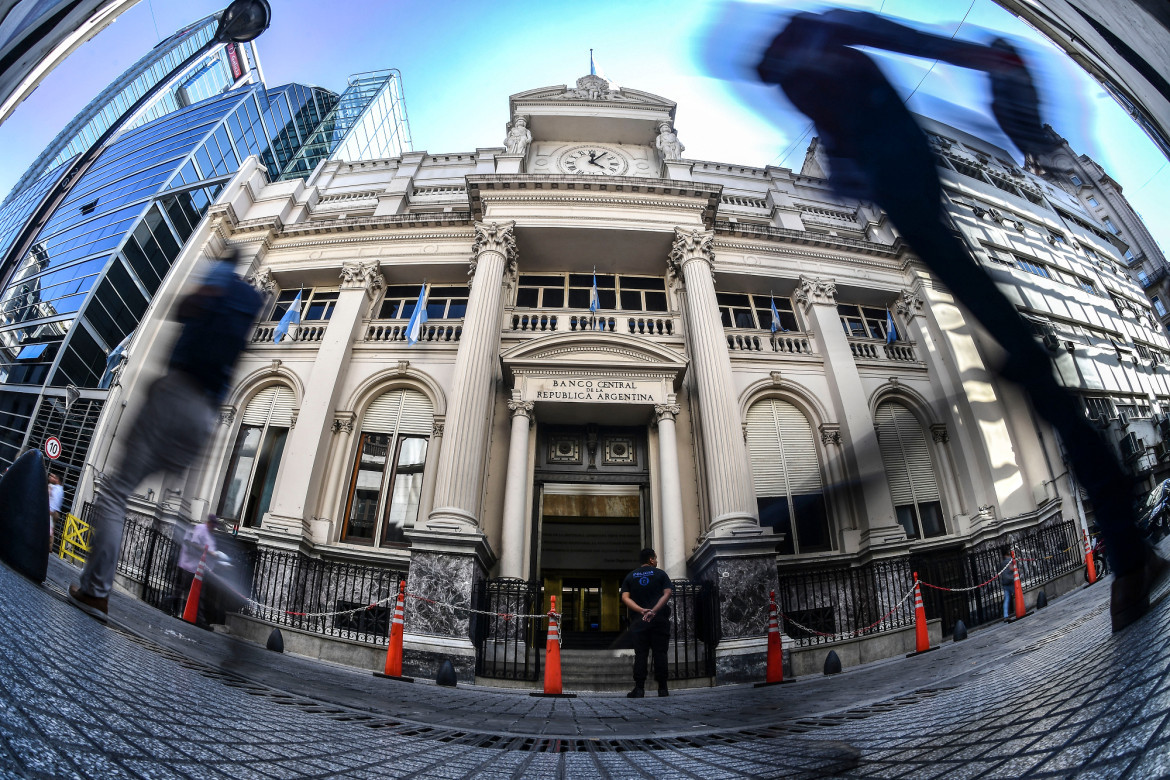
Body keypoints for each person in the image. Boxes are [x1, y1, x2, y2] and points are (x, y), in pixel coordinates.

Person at [755, 9, 1167, 633]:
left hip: (924, 228)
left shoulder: (815, 56)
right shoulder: (821, 59)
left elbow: (894, 67)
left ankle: (1130, 553)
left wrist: (982, 71)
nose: (793, 87)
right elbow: (900, 58)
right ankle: (1131, 553)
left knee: (1025, 381)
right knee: (1024, 380)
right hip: (924, 227)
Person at [69, 250, 263, 622]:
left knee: (114, 492)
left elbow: (185, 308)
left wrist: (202, 286)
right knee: (178, 516)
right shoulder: (252, 300)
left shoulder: (221, 276)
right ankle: (230, 582)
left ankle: (95, 591)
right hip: (206, 412)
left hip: (177, 391)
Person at [620, 548, 672, 698]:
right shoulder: (661, 574)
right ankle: (662, 688)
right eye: (655, 558)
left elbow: (625, 598)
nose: (656, 561)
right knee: (660, 653)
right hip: (659, 620)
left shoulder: (631, 576)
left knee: (641, 654)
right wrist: (654, 610)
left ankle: (639, 688)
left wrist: (642, 610)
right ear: (651, 560)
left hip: (639, 621)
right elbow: (667, 593)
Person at [176, 514, 219, 628]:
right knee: (188, 591)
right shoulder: (201, 529)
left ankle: (196, 618)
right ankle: (198, 619)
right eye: (213, 525)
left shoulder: (210, 534)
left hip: (199, 570)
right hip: (190, 567)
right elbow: (193, 544)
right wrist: (209, 552)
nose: (214, 527)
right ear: (209, 523)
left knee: (193, 592)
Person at [47, 472, 63, 547]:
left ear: (58, 480)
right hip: (56, 511)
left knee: (50, 528)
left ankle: (49, 546)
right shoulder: (60, 489)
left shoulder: (57, 489)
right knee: (51, 527)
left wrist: (51, 510)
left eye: (55, 478)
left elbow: (55, 501)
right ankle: (49, 545)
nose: (54, 479)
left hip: (53, 511)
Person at [1000, 548, 1015, 622]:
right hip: (1011, 581)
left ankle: (1005, 615)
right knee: (1017, 595)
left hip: (1005, 583)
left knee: (1007, 599)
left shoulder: (1002, 563)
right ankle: (1019, 608)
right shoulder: (1010, 560)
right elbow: (1012, 568)